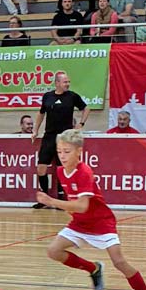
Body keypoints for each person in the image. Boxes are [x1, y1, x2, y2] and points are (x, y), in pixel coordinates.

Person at [37, 129, 146, 290]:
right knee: (53, 251)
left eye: (67, 151)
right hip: (80, 223)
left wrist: (52, 202)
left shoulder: (84, 171)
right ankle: (93, 269)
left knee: (119, 262)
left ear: (79, 151)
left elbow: (82, 206)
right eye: (59, 151)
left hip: (102, 223)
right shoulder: (61, 171)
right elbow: (75, 205)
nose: (62, 156)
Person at [33, 72, 87, 206]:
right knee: (41, 168)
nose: (67, 84)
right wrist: (35, 130)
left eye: (68, 82)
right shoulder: (48, 96)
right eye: (65, 82)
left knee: (61, 168)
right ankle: (44, 198)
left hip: (65, 137)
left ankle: (61, 198)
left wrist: (81, 124)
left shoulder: (72, 96)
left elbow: (86, 108)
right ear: (57, 83)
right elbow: (41, 113)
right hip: (49, 136)